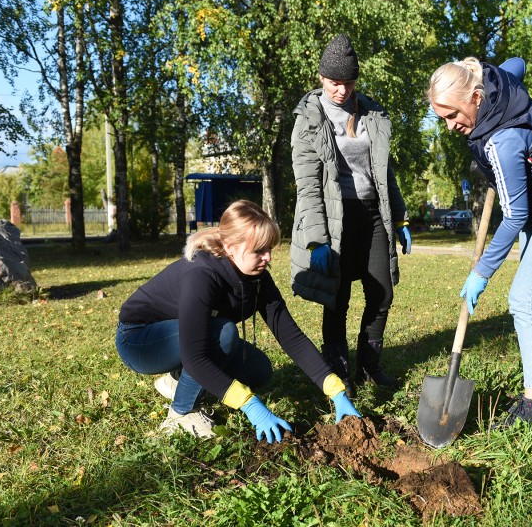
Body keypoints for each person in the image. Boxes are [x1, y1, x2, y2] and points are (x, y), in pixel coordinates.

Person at [427, 57, 532, 427]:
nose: (450, 125)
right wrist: (492, 70)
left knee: (524, 298)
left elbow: (515, 215)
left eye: (453, 114)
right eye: (442, 118)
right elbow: (518, 64)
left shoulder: (502, 141)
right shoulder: (495, 82)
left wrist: (483, 271)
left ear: (476, 97)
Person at [115, 200, 360, 441]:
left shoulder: (257, 277)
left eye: (269, 249)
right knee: (223, 334)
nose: (268, 258)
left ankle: (177, 380)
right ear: (230, 246)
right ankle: (180, 414)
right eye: (259, 250)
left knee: (257, 371)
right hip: (141, 341)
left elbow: (290, 336)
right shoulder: (202, 275)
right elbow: (195, 355)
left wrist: (335, 391)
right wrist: (250, 405)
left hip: (184, 337)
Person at [290, 33, 411, 398]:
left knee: (382, 292)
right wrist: (317, 240)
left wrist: (401, 217)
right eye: (333, 82)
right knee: (337, 296)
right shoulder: (308, 120)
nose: (341, 90)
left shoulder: (372, 114)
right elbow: (308, 186)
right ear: (321, 78)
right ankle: (338, 369)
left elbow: (384, 172)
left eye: (348, 82)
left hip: (372, 213)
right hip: (333, 216)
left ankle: (370, 365)